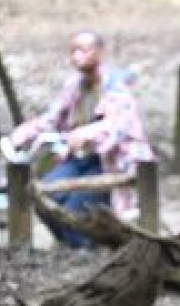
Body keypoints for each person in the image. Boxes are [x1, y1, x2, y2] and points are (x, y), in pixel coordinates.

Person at [8, 30, 153, 248]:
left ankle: (86, 247)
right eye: (73, 51)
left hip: (110, 160)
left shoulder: (116, 86)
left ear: (99, 53)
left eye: (83, 50)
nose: (77, 56)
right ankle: (71, 244)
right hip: (78, 158)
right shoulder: (74, 86)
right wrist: (21, 135)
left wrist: (88, 133)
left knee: (77, 205)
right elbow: (52, 118)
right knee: (42, 194)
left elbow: (117, 127)